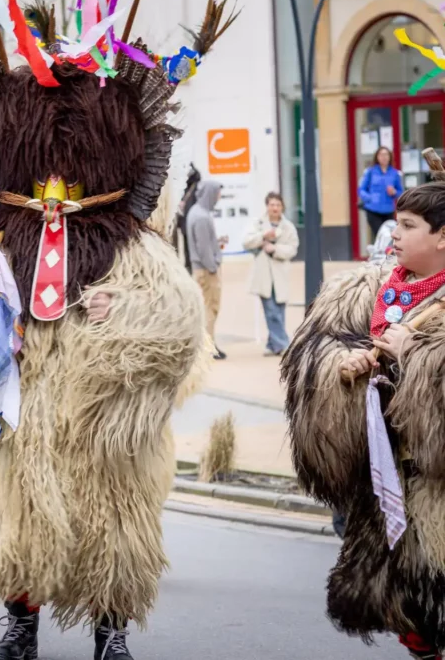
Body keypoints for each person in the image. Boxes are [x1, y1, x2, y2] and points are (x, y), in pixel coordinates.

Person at [0, 0, 230, 657]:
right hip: (23, 415)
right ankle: (21, 626)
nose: (54, 192)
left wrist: (126, 314)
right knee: (21, 521)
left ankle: (111, 631)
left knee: (113, 522)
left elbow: (180, 322)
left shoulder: (136, 250)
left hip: (103, 426)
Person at [282, 180, 445, 660]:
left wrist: (414, 353)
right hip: (385, 470)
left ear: (442, 237)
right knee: (401, 600)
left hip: (434, 477)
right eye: (396, 223)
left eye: (408, 226)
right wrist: (345, 365)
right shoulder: (367, 289)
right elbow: (320, 345)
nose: (395, 233)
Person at [242, 192, 299, 356]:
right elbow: (246, 242)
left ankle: (272, 345)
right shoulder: (258, 224)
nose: (275, 208)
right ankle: (284, 344)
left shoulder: (288, 227)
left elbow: (292, 249)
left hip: (280, 274)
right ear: (267, 206)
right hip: (263, 275)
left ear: (282, 207)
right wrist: (263, 236)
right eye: (272, 205)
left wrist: (275, 249)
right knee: (271, 311)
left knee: (279, 311)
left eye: (278, 205)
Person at [187, 180, 228, 359]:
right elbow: (203, 249)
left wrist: (216, 244)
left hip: (202, 269)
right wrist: (213, 266)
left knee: (207, 309)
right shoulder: (202, 217)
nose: (219, 197)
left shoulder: (196, 212)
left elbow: (203, 243)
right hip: (206, 271)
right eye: (217, 193)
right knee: (210, 309)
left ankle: (207, 345)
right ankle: (208, 347)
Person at [359, 146, 404, 241]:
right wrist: (370, 198)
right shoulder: (370, 172)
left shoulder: (394, 173)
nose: (384, 157)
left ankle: (386, 251)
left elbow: (400, 192)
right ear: (377, 157)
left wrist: (394, 192)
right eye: (381, 155)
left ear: (390, 157)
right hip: (373, 210)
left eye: (386, 154)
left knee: (390, 237)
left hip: (388, 210)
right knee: (380, 236)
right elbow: (361, 190)